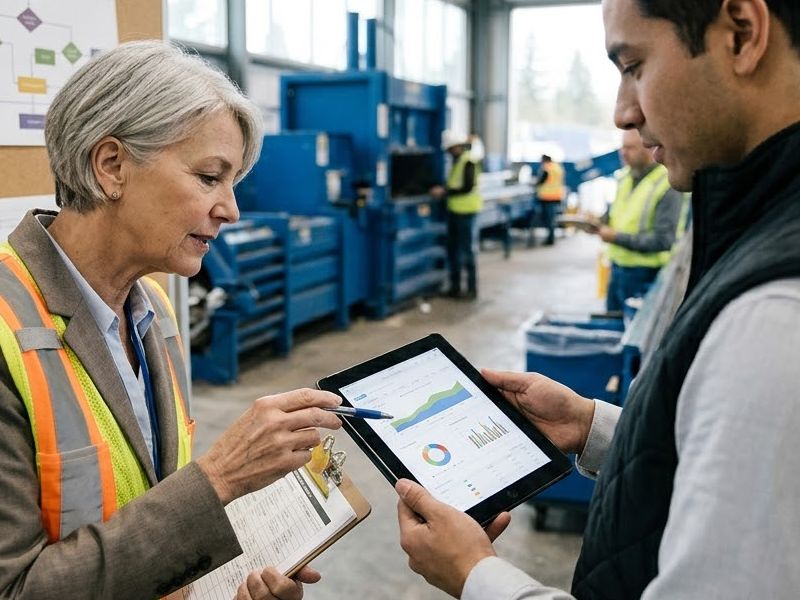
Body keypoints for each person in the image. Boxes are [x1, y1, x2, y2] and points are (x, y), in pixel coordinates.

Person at [396, 0, 800, 598]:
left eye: (633, 64)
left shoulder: (772, 318)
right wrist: (595, 427)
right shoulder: (765, 239)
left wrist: (473, 574)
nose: (622, 113)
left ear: (741, 33)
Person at [0, 40, 344, 600]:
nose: (230, 209)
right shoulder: (6, 330)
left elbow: (142, 509)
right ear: (111, 166)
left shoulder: (154, 311)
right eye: (210, 178)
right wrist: (219, 480)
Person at [598, 129, 684, 312]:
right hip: (617, 270)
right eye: (622, 147)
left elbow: (663, 240)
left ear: (649, 148)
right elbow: (617, 216)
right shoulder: (625, 177)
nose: (623, 153)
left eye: (630, 148)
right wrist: (597, 222)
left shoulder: (667, 184)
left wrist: (615, 237)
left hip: (646, 276)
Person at [430, 132, 483, 300]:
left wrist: (444, 192)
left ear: (457, 146)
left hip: (466, 212)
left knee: (467, 252)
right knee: (453, 251)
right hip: (455, 211)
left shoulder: (468, 161)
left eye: (451, 148)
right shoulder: (458, 161)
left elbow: (466, 187)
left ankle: (471, 289)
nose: (450, 152)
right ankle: (455, 287)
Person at [534, 154, 565, 246]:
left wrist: (533, 184)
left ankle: (550, 239)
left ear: (544, 160)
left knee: (549, 219)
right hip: (556, 196)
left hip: (547, 197)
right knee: (552, 218)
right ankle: (551, 238)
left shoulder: (547, 168)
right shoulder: (557, 167)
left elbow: (541, 181)